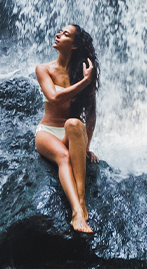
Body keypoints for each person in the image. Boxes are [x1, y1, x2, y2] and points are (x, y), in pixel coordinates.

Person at [34, 23, 99, 234]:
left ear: (73, 46)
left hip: (70, 133)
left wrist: (86, 147)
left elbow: (90, 113)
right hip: (47, 132)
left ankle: (81, 200)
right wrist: (85, 82)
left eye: (65, 34)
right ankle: (77, 213)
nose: (58, 34)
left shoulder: (81, 72)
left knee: (73, 123)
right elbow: (53, 97)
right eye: (60, 31)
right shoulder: (44, 69)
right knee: (63, 156)